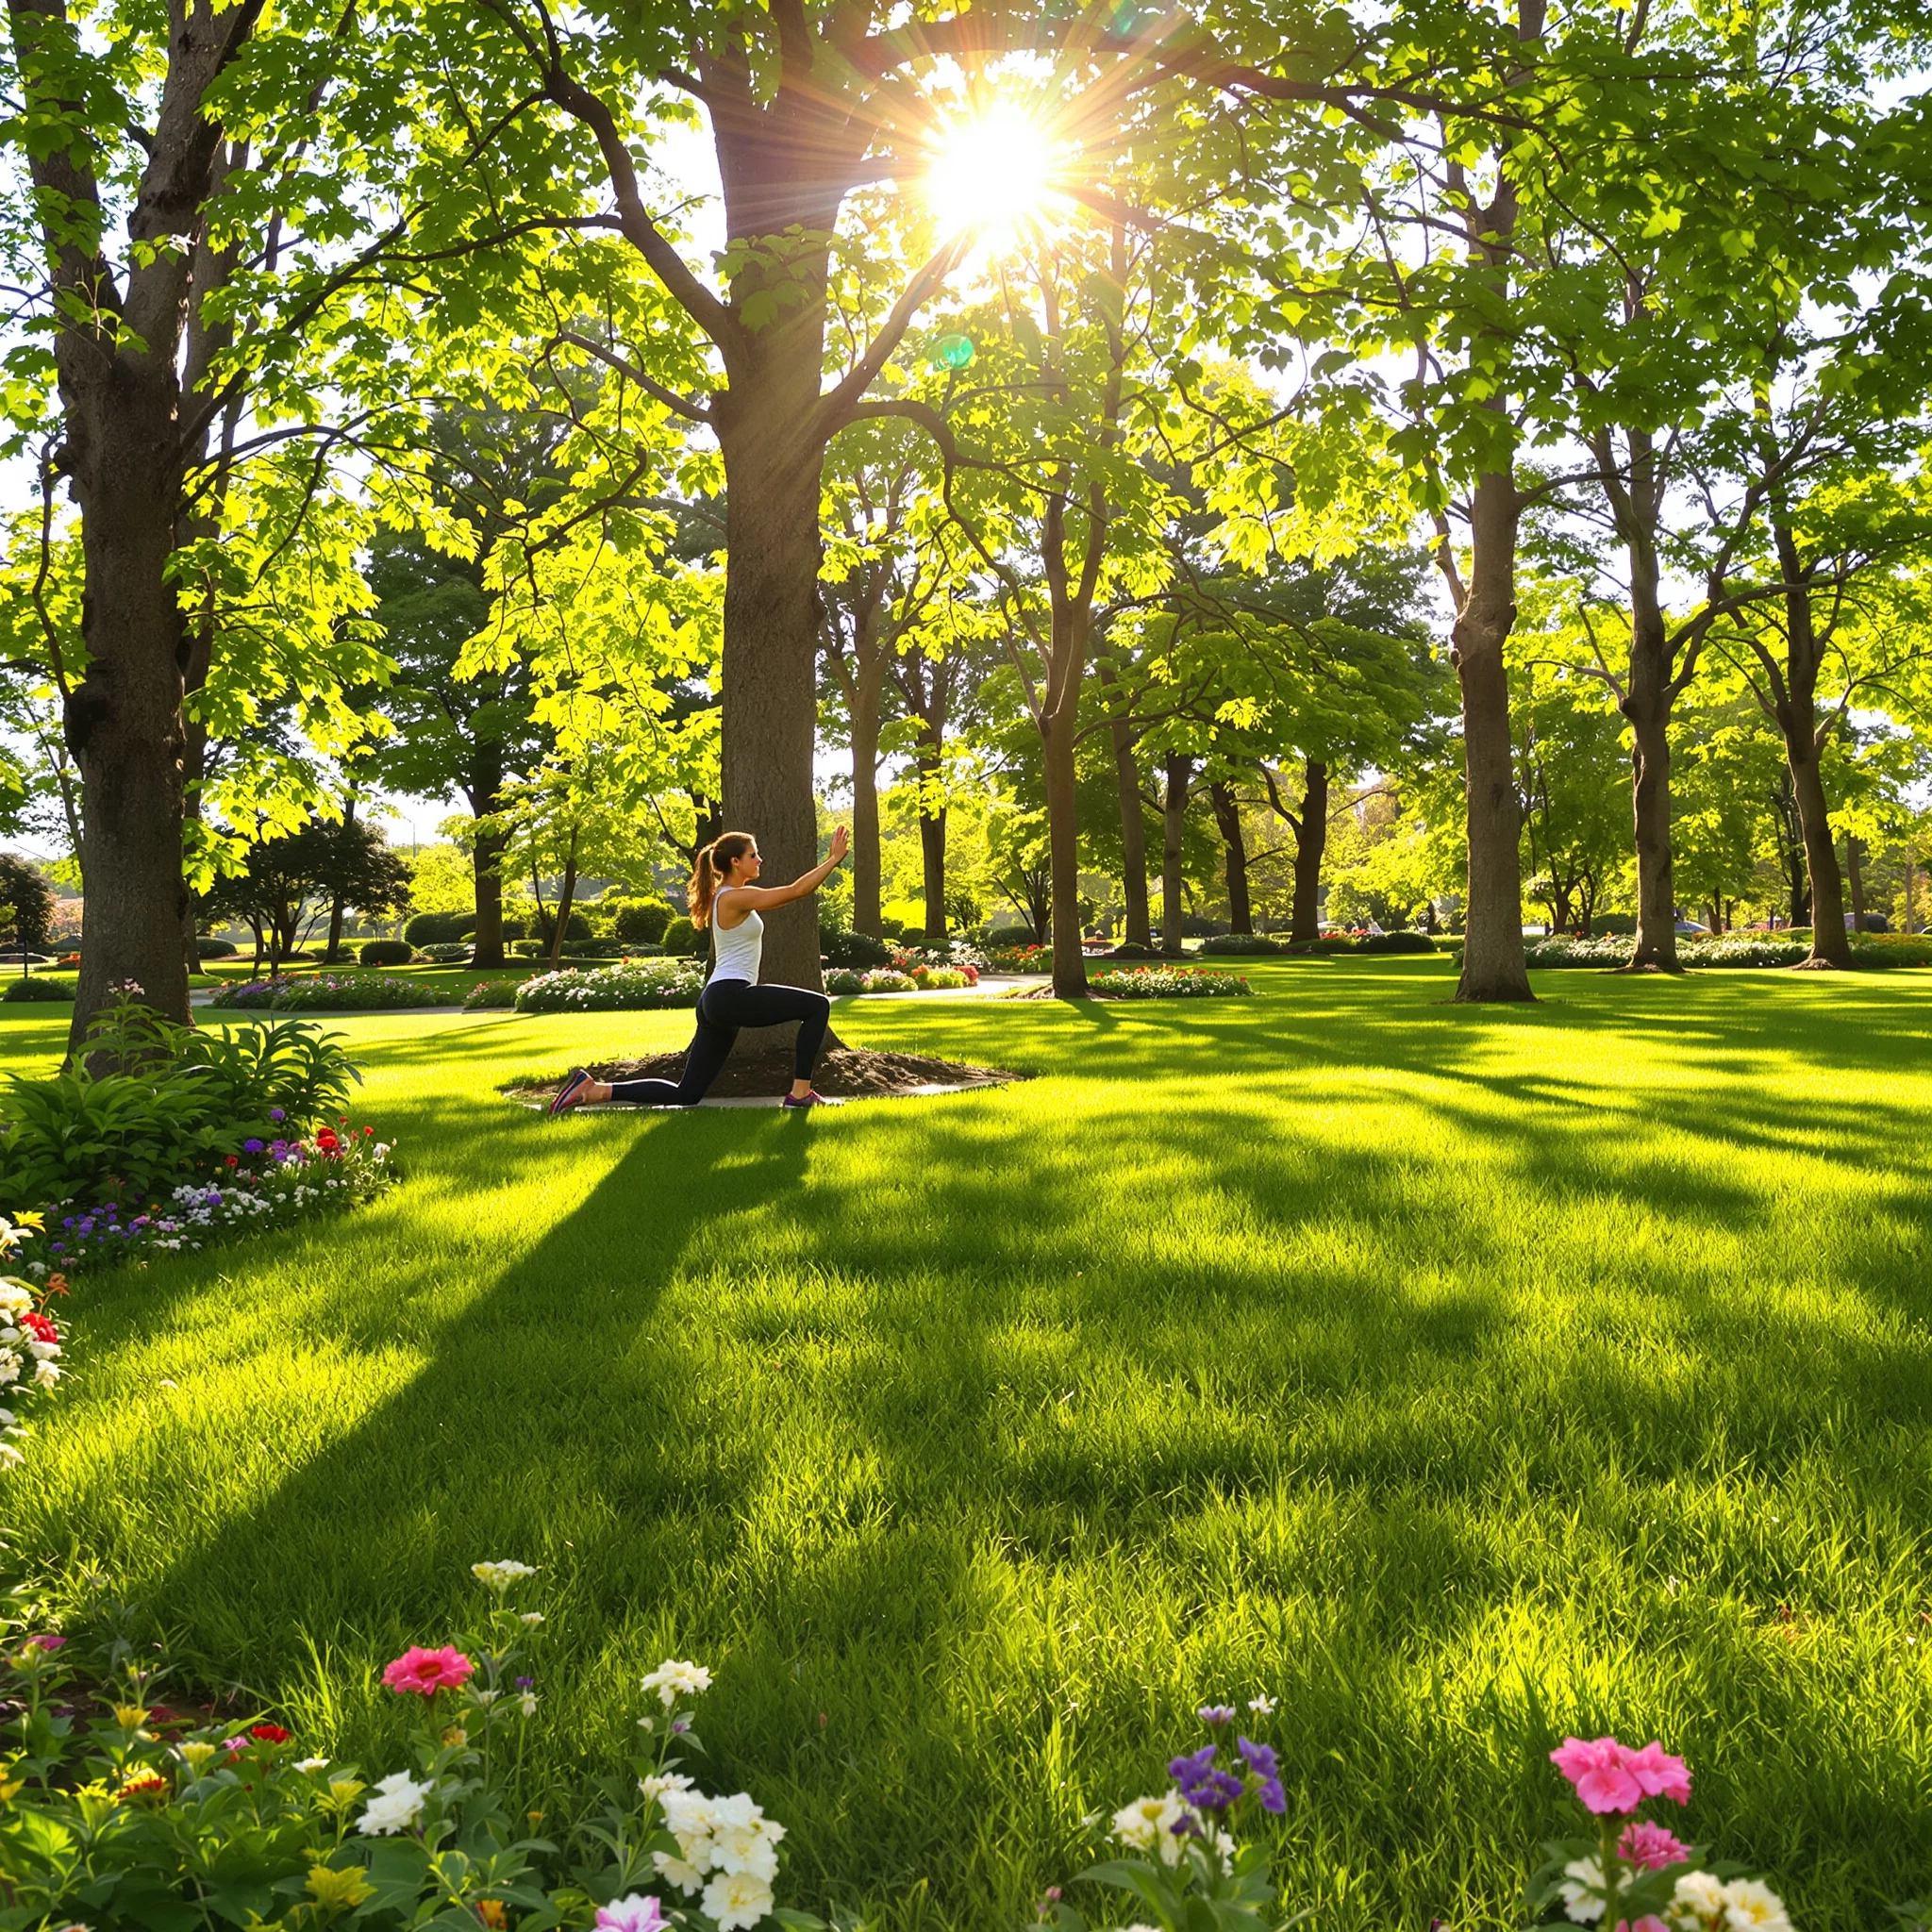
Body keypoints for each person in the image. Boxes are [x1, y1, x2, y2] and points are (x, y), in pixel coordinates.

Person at [550, 826, 849, 1114]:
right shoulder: (733, 897)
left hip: (716, 1001)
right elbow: (796, 891)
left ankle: (594, 1090)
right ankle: (800, 1094)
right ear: (735, 861)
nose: (760, 860)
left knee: (687, 1093)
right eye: (753, 855)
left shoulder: (725, 896)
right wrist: (833, 860)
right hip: (730, 995)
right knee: (817, 1005)